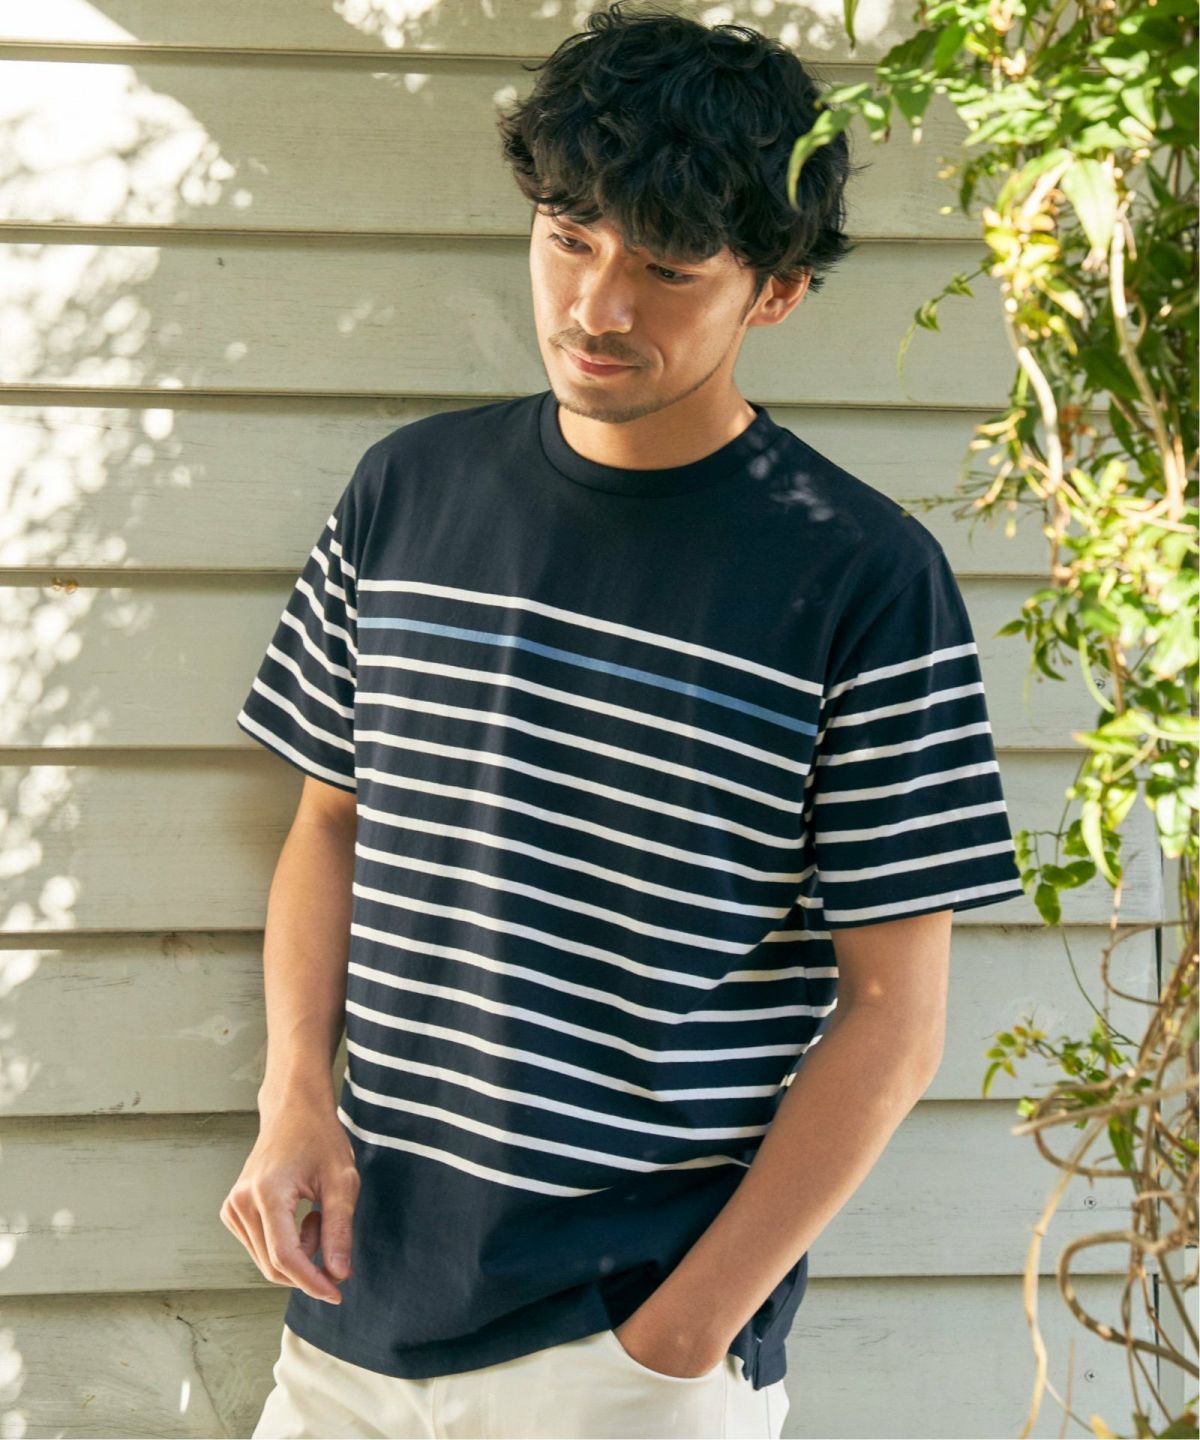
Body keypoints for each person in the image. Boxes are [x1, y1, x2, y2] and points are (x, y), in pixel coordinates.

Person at [223, 4, 1026, 1436]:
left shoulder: (859, 577)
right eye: (570, 238)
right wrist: (294, 1098)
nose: (599, 307)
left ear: (774, 292)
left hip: (623, 1350)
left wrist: (680, 1338)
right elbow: (330, 826)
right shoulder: (407, 491)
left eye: (667, 268)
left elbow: (895, 1020)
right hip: (351, 1314)